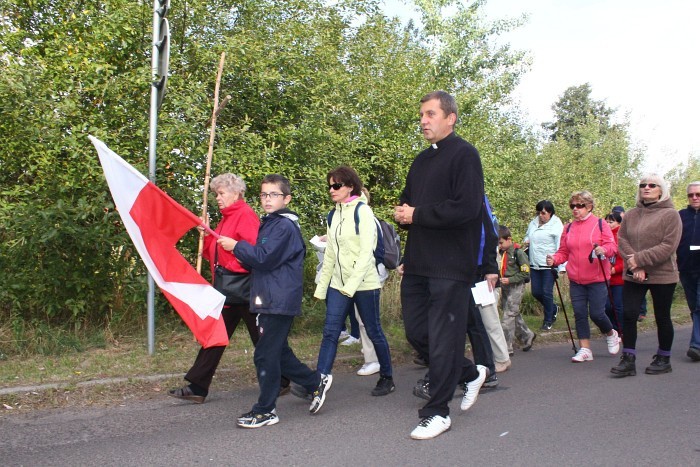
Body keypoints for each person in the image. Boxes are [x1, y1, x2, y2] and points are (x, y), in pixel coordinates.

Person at [395, 91, 487, 440]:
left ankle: (437, 412)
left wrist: (417, 214)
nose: (423, 120)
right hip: (418, 260)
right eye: (421, 114)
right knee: (417, 333)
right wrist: (404, 213)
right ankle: (468, 372)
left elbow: (467, 208)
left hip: (451, 264)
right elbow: (409, 200)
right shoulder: (420, 161)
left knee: (444, 337)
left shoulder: (465, 155)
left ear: (450, 117)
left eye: (430, 114)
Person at [217, 174, 321, 428]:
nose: (267, 199)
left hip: (278, 298)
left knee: (265, 355)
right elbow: (260, 260)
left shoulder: (283, 226)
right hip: (270, 297)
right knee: (279, 352)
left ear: (286, 198)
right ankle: (315, 383)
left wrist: (236, 246)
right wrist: (240, 252)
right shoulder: (271, 223)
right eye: (264, 194)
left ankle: (265, 410)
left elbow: (263, 257)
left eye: (273, 195)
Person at [168, 173, 262, 404]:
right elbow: (214, 253)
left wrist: (234, 259)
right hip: (228, 289)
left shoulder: (246, 215)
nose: (217, 198)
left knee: (264, 340)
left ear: (236, 193)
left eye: (221, 193)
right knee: (215, 336)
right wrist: (207, 235)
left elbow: (254, 254)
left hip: (245, 288)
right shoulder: (226, 217)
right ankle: (198, 386)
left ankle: (287, 379)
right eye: (216, 194)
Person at [312, 165, 395, 412]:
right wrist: (321, 286)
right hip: (339, 284)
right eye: (329, 185)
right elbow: (330, 256)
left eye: (336, 185)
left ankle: (387, 377)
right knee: (330, 332)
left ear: (350, 186)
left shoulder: (363, 212)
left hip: (365, 283)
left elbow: (366, 253)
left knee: (373, 329)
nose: (332, 190)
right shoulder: (332, 215)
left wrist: (350, 287)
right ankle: (319, 381)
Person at [611, 174, 682, 377]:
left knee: (662, 316)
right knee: (629, 314)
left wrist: (639, 260)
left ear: (661, 190)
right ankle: (628, 358)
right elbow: (622, 239)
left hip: (662, 274)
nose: (647, 188)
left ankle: (663, 357)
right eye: (643, 185)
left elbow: (668, 246)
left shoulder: (671, 215)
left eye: (652, 185)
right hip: (634, 273)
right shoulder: (631, 214)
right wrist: (636, 266)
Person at [546, 190, 621, 363]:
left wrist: (604, 250)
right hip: (576, 279)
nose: (575, 209)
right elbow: (564, 252)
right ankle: (585, 349)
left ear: (589, 206)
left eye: (580, 205)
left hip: (597, 278)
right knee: (579, 313)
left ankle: (611, 333)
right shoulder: (569, 227)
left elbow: (612, 246)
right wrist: (554, 259)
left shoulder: (600, 224)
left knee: (597, 313)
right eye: (573, 206)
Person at [523, 200, 563, 330]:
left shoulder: (556, 225)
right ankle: (553, 307)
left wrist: (560, 265)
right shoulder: (534, 223)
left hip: (548, 265)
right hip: (535, 264)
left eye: (543, 213)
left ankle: (548, 320)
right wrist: (526, 241)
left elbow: (560, 245)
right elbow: (527, 236)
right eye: (539, 212)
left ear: (550, 213)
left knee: (546, 292)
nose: (540, 215)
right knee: (536, 292)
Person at [498, 226, 536, 355]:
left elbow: (525, 273)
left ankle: (506, 347)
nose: (500, 245)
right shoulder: (501, 253)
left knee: (507, 317)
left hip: (516, 286)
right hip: (505, 286)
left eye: (501, 242)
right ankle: (527, 335)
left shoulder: (518, 253)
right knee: (513, 313)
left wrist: (511, 280)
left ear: (509, 239)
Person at [678, 181, 700, 362]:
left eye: (698, 195)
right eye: (691, 195)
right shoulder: (681, 216)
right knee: (694, 307)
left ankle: (696, 345)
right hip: (686, 267)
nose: (694, 198)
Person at [604, 212, 624, 332]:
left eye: (611, 222)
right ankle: (611, 328)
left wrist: (615, 269)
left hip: (619, 279)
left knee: (617, 306)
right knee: (606, 306)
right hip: (604, 278)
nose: (607, 224)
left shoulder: (622, 237)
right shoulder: (603, 236)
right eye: (606, 221)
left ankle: (620, 329)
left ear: (618, 223)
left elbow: (626, 259)